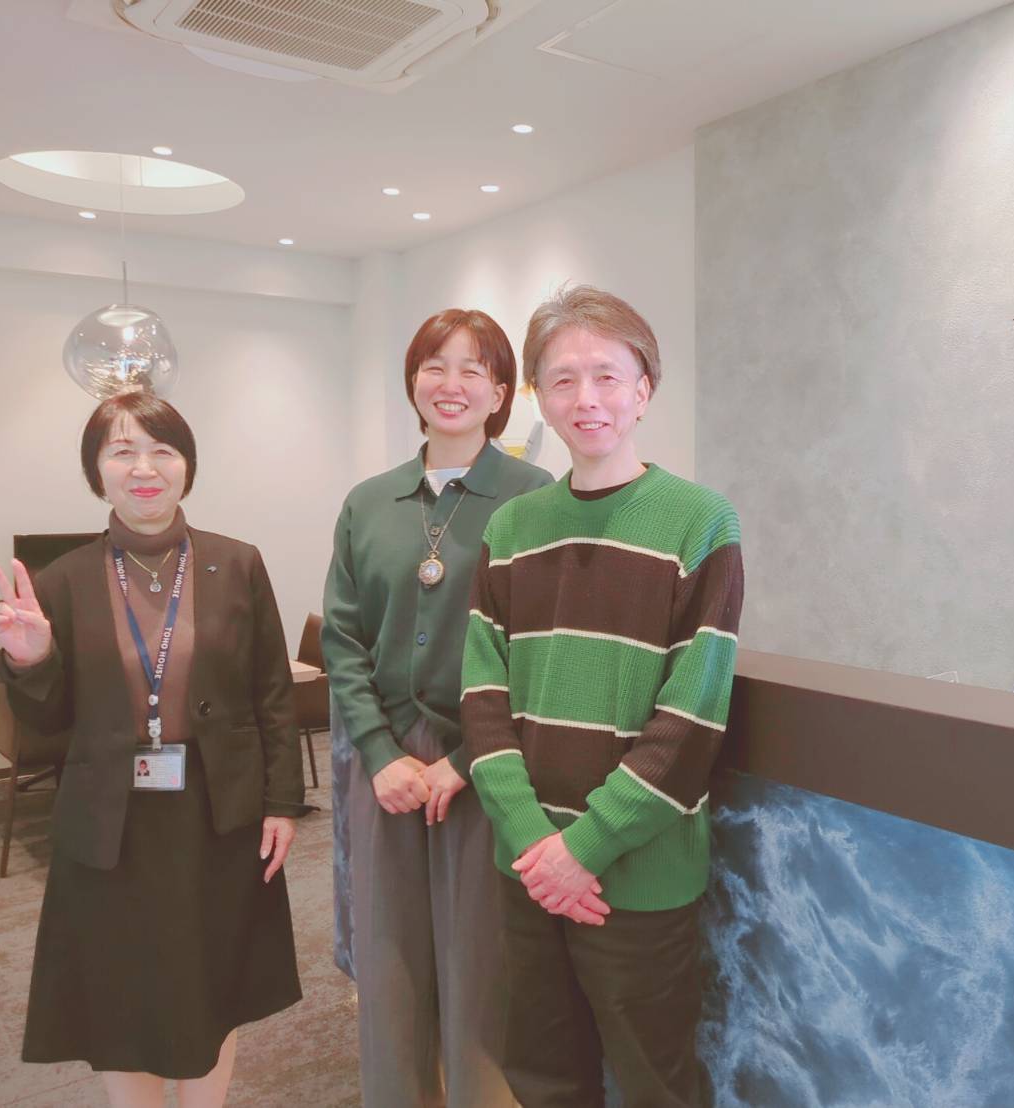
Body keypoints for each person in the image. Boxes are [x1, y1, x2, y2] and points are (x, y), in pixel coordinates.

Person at [461, 286, 745, 1107]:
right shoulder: (511, 528)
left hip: (640, 873)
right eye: (562, 380)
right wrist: (534, 843)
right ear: (539, 399)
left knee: (657, 1084)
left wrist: (582, 850)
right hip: (527, 868)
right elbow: (481, 695)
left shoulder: (700, 521)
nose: (585, 398)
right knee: (543, 1079)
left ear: (643, 390)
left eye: (607, 377)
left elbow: (691, 718)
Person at [0, 390, 306, 1108]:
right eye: (122, 451)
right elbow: (44, 724)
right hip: (110, 824)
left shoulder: (238, 563)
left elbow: (273, 694)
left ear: (187, 465)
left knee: (213, 985)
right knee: (119, 992)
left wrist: (283, 802)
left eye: (162, 450)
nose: (144, 468)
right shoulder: (62, 579)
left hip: (218, 816)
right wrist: (31, 660)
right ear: (95, 469)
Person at [323, 308, 552, 1107]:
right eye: (434, 366)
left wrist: (464, 760)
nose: (451, 384)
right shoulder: (368, 502)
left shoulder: (533, 498)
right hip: (384, 762)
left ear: (501, 392)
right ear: (412, 382)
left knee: (481, 964)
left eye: (473, 369)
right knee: (388, 959)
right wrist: (380, 755)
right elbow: (342, 639)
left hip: (490, 759)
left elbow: (540, 648)